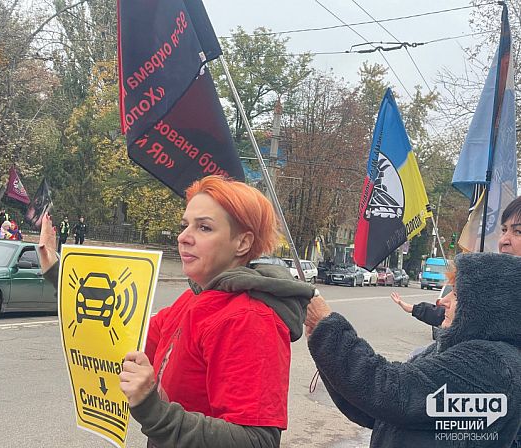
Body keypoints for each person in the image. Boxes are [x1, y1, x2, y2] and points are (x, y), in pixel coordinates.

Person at [38, 175, 316, 447]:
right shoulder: (193, 299)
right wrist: (58, 273)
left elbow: (256, 440)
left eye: (204, 227)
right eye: (185, 225)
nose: (183, 237)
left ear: (242, 243)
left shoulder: (249, 319)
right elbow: (124, 336)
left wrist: (153, 410)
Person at [306, 252, 521, 447]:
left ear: (488, 304)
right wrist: (323, 341)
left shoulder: (494, 365)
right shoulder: (451, 350)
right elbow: (375, 410)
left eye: (456, 294)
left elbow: (392, 390)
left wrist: (329, 330)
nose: (443, 301)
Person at [391, 196, 521, 327]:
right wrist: (415, 309)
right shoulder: (490, 284)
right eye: (504, 230)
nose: (503, 240)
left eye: (518, 231)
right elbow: (461, 314)